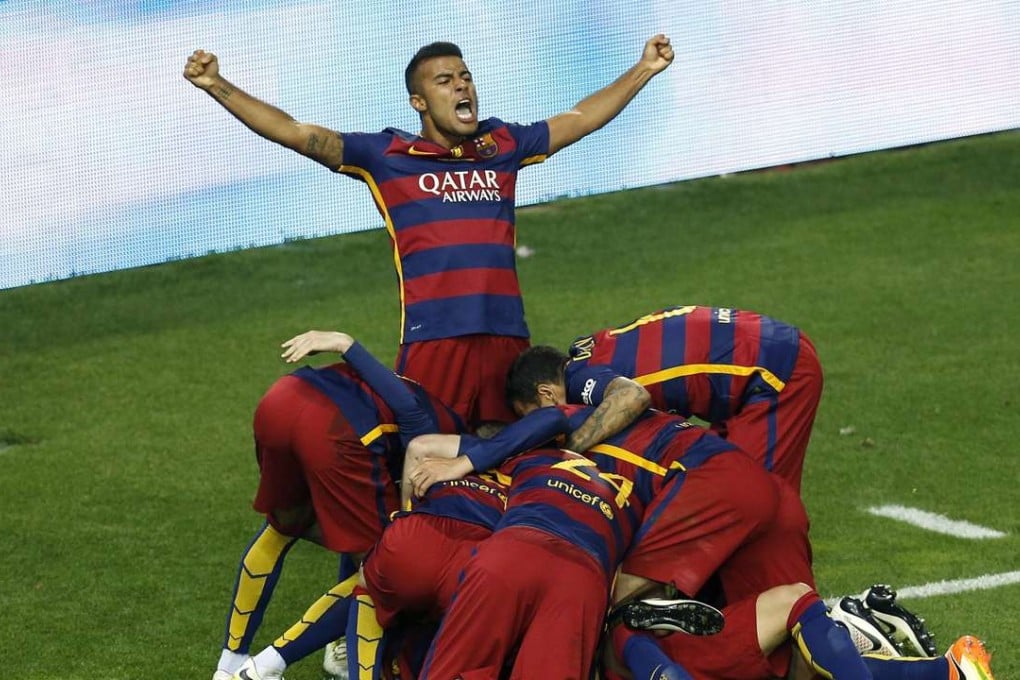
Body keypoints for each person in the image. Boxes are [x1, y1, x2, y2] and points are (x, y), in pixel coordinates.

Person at [183, 35, 675, 430]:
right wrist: (216, 84)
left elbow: (579, 119)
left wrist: (644, 69)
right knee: (425, 457)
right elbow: (295, 132)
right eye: (445, 81)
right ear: (419, 101)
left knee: (512, 455)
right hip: (433, 341)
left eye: (466, 77)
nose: (462, 87)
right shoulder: (385, 157)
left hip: (506, 336)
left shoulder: (501, 145)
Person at [212, 330, 463, 680]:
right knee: (383, 569)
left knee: (283, 526)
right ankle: (267, 665)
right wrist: (347, 344)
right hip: (335, 431)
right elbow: (409, 415)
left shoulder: (424, 398)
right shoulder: (442, 434)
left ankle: (229, 663)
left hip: (281, 400)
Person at [504, 304, 823, 493]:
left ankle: (787, 588)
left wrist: (568, 452)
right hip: (762, 349)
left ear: (546, 392)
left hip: (774, 369)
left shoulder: (577, 379)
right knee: (714, 481)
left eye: (535, 415)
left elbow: (631, 395)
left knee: (753, 494)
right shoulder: (591, 351)